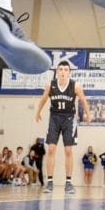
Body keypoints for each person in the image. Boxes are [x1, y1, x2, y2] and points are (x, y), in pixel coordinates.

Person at [34, 60, 92, 194]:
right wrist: (37, 112)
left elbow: (83, 100)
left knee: (68, 151)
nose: (63, 72)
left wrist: (88, 114)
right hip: (54, 117)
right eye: (60, 69)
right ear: (57, 72)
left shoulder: (75, 86)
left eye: (66, 70)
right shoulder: (51, 85)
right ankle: (49, 182)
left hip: (69, 118)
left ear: (69, 72)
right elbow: (43, 98)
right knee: (51, 149)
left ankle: (68, 183)